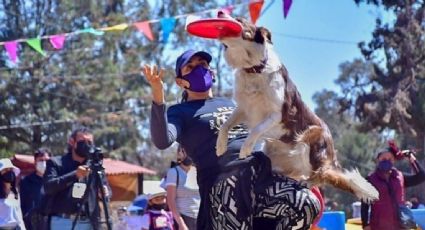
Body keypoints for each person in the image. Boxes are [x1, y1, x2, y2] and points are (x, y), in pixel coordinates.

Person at [143, 49, 320, 230]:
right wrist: (158, 97)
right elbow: (162, 140)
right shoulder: (180, 112)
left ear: (211, 73)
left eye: (202, 65)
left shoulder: (232, 104)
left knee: (306, 204)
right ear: (180, 82)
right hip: (224, 182)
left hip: (259, 175)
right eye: (191, 67)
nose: (199, 69)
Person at [43, 127, 111, 230]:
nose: (86, 145)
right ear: (72, 142)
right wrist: (75, 174)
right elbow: (49, 187)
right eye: (82, 141)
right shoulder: (56, 163)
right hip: (63, 222)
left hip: (89, 222)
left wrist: (105, 193)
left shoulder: (95, 166)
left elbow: (107, 189)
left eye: (89, 142)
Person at [361, 144, 425, 230]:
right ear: (378, 160)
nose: (386, 161)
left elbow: (421, 176)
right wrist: (365, 224)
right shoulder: (370, 179)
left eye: (390, 159)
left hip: (400, 226)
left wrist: (411, 157)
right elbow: (364, 204)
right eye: (383, 159)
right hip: (379, 226)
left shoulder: (400, 177)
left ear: (394, 160)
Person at [165, 145, 200, 230]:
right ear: (179, 153)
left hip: (199, 219)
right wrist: (181, 224)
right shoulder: (174, 172)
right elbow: (170, 201)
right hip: (183, 218)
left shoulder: (198, 172)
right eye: (185, 151)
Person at [19, 148, 50, 230]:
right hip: (33, 224)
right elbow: (23, 205)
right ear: (35, 161)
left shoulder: (55, 180)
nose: (44, 163)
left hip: (52, 222)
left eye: (46, 160)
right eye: (41, 160)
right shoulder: (26, 181)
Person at [0, 158, 26, 230]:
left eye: (10, 170)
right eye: (5, 170)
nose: (9, 172)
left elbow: (19, 216)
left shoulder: (15, 193)